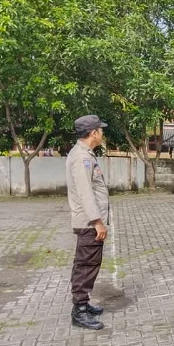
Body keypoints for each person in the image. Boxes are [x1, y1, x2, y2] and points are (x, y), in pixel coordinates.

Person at [66, 115, 110, 330]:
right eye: (100, 130)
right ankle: (79, 311)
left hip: (90, 222)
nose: (102, 134)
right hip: (89, 223)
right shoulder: (81, 157)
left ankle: (83, 304)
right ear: (93, 133)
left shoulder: (85, 155)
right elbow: (85, 193)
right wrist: (97, 222)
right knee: (86, 265)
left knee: (88, 262)